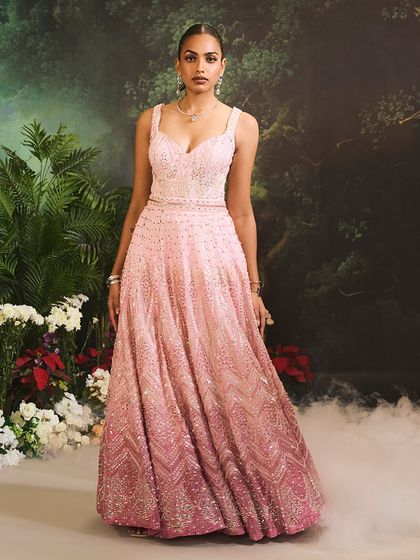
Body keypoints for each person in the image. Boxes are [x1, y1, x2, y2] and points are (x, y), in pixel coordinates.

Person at [96, 22, 326, 541]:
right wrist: (116, 273)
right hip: (152, 254)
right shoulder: (150, 120)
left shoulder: (243, 125)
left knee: (226, 372)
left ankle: (247, 496)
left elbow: (241, 211)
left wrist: (253, 287)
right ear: (176, 64)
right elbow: (137, 203)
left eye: (211, 58)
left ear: (224, 66)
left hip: (213, 255)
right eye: (191, 57)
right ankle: (162, 503)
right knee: (155, 378)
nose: (200, 67)